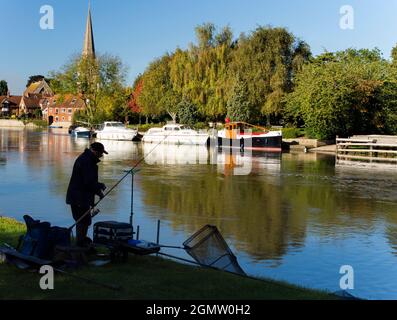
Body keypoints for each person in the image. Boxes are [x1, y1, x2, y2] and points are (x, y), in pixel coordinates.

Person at [66, 142, 108, 247]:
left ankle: (82, 243)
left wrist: (98, 192)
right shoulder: (87, 161)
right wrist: (100, 186)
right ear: (94, 151)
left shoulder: (87, 159)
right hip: (79, 197)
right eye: (100, 153)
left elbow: (89, 183)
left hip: (80, 196)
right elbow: (88, 182)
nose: (101, 156)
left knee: (85, 221)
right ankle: (80, 245)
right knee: (82, 221)